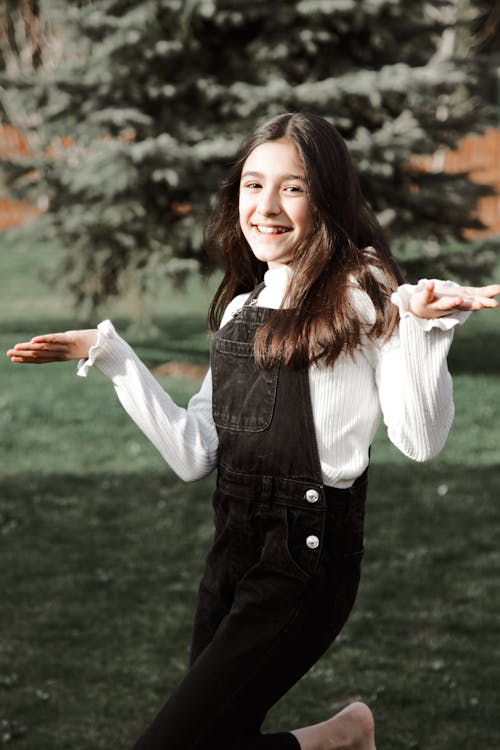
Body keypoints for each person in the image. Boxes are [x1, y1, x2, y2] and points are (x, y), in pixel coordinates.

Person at [7, 112, 500, 750]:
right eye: (252, 184)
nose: (265, 206)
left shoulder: (363, 288)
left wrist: (425, 336)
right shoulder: (241, 308)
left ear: (328, 197)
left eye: (292, 188)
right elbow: (194, 454)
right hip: (233, 549)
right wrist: (111, 355)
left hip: (306, 558)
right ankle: (341, 738)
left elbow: (419, 439)